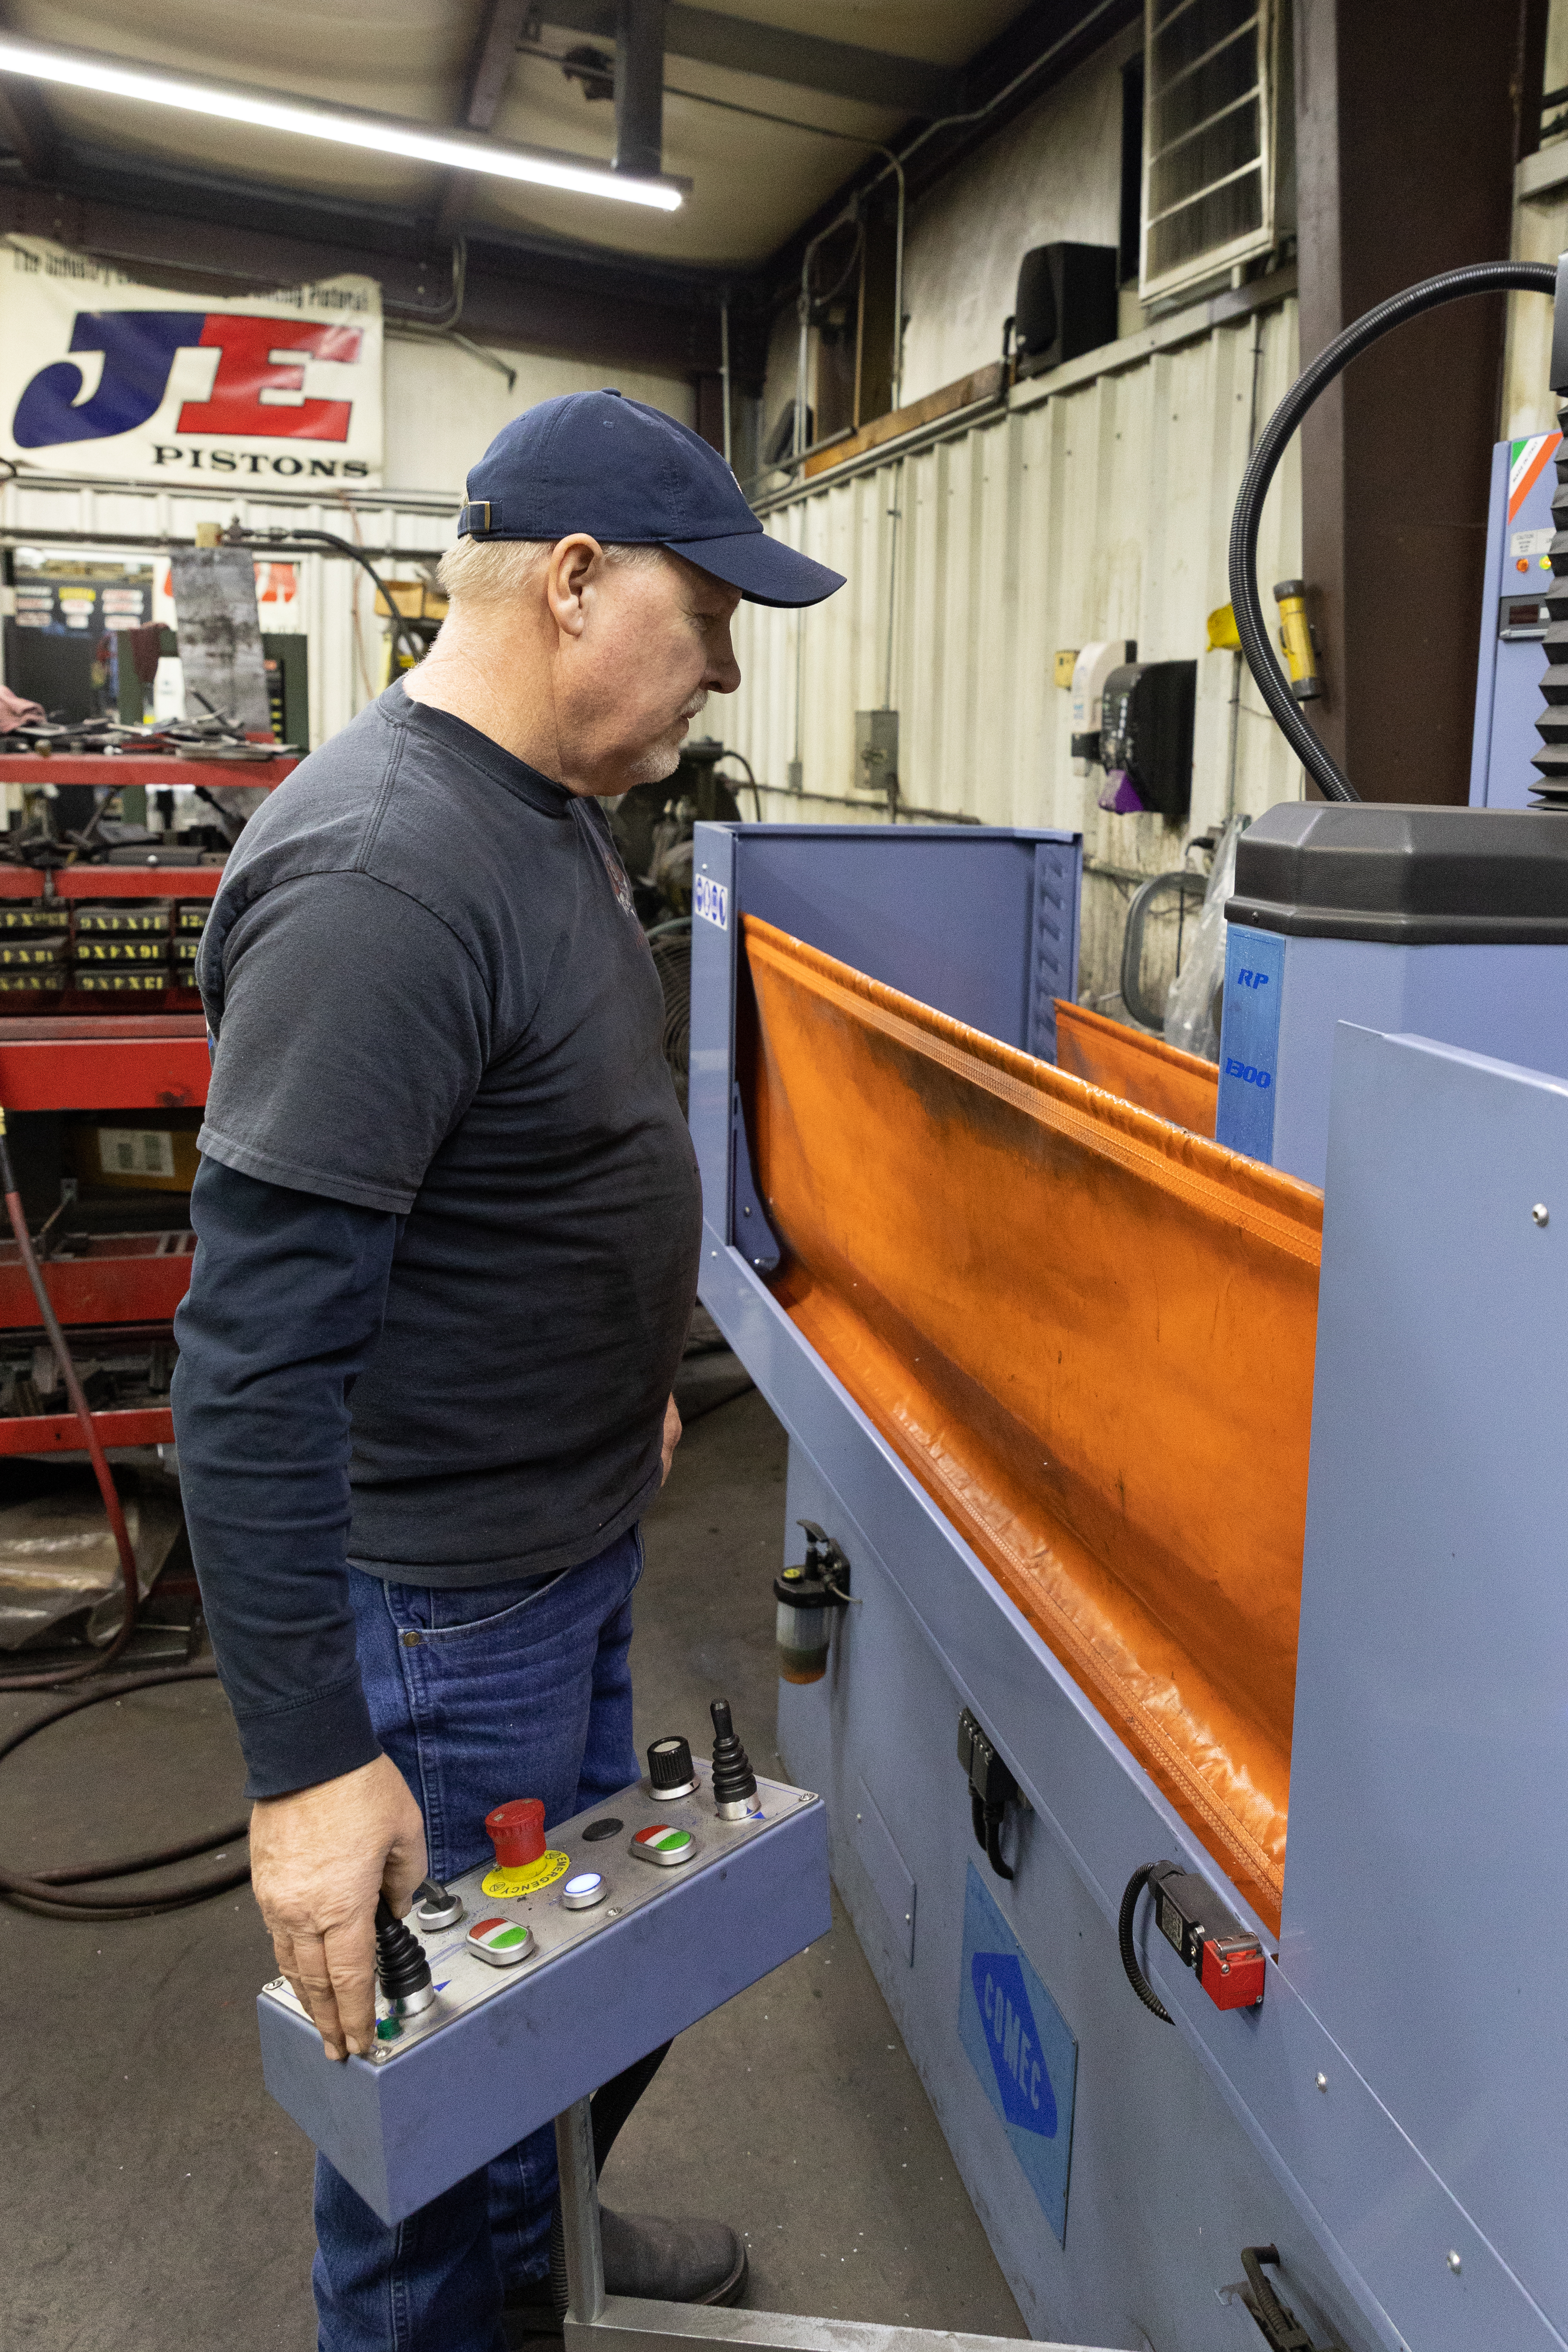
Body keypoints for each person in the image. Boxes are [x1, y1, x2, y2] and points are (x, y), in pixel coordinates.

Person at [171, 390, 845, 2352]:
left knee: (559, 1986)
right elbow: (249, 1353)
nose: (723, 668)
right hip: (435, 1624)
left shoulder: (539, 816)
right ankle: (459, 2289)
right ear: (572, 578)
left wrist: (619, 1364)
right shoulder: (387, 875)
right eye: (707, 617)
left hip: (554, 1551)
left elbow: (521, 1160)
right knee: (419, 2107)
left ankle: (543, 2251)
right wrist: (305, 1764)